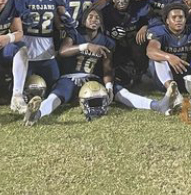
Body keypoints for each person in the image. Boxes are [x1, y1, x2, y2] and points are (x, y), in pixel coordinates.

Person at [23, 7, 177, 125]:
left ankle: (158, 105)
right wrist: (86, 46)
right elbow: (63, 52)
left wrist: (109, 85)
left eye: (97, 17)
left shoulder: (107, 42)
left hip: (93, 80)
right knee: (56, 97)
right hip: (70, 78)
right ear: (84, 20)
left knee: (121, 93)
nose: (94, 19)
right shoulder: (75, 34)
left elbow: (107, 67)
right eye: (90, 16)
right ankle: (36, 115)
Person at [10, 0, 76, 113]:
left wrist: (67, 19)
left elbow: (60, 20)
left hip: (47, 49)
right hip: (28, 46)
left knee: (54, 82)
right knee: (21, 85)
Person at [146, 3, 191, 109]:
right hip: (167, 78)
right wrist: (169, 57)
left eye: (181, 17)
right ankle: (174, 94)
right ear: (167, 21)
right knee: (157, 59)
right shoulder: (160, 33)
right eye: (174, 17)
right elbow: (151, 51)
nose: (178, 20)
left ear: (185, 19)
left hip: (188, 75)